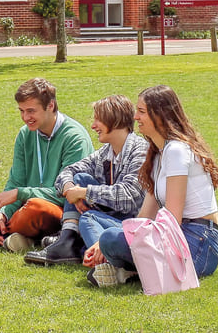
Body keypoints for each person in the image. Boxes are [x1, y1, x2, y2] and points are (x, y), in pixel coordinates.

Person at [91, 85, 218, 287]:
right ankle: (130, 269)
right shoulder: (158, 155)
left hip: (198, 244)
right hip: (177, 236)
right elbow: (145, 216)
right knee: (101, 228)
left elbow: (172, 220)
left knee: (111, 237)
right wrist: (117, 238)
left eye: (142, 111)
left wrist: (121, 239)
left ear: (160, 115)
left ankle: (127, 269)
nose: (135, 117)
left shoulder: (176, 151)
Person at [0, 78, 94, 252]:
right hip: (23, 204)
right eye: (21, 111)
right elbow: (16, 181)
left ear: (50, 106)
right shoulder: (25, 133)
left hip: (55, 209)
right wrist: (3, 213)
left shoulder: (74, 138)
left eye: (31, 111)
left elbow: (66, 194)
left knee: (35, 206)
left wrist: (20, 194)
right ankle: (3, 232)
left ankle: (0, 232)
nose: (25, 117)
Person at [24, 95, 148, 265]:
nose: (93, 125)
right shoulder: (106, 152)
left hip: (135, 224)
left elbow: (129, 198)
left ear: (115, 120)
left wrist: (84, 193)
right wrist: (69, 189)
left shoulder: (140, 151)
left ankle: (98, 257)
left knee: (88, 218)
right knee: (79, 178)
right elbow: (67, 172)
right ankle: (68, 239)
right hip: (113, 217)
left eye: (98, 120)